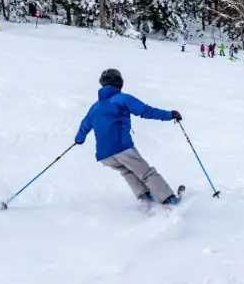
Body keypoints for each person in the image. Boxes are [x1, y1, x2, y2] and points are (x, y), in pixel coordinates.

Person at [74, 69, 182, 204]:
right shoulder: (122, 99)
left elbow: (84, 125)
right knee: (146, 173)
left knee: (128, 172)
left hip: (105, 156)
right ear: (119, 82)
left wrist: (79, 139)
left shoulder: (95, 107)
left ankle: (145, 198)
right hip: (122, 148)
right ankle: (168, 199)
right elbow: (145, 111)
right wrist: (170, 115)